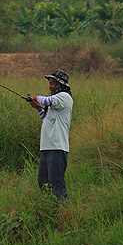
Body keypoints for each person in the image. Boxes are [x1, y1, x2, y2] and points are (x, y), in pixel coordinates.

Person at [28, 69, 73, 200]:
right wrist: (38, 108)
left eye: (53, 83)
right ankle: (49, 209)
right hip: (47, 148)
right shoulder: (56, 102)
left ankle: (63, 210)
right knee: (43, 183)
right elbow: (46, 119)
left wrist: (36, 98)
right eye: (50, 83)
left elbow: (46, 100)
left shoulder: (64, 97)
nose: (50, 86)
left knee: (56, 184)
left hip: (57, 148)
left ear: (60, 84)